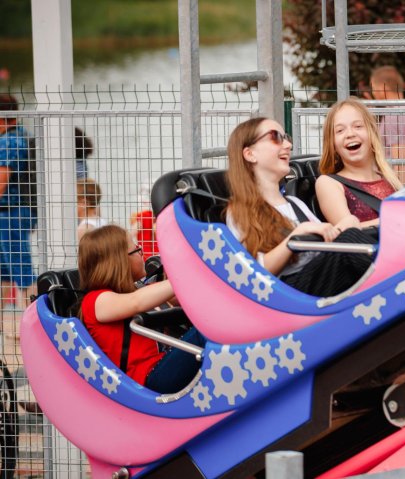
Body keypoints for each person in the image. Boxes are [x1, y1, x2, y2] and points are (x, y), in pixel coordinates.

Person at [225, 117, 375, 297]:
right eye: (275, 137)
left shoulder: (295, 204)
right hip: (287, 294)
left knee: (357, 232)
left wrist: (344, 225)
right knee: (351, 239)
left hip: (317, 277)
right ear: (250, 154)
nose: (288, 145)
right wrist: (294, 239)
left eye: (286, 137)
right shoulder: (239, 211)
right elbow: (252, 273)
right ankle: (402, 280)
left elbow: (324, 242)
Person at [78, 225, 204, 393]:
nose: (142, 253)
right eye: (136, 249)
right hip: (144, 380)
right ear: (119, 261)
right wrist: (186, 275)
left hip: (159, 367)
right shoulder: (96, 301)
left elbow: (182, 298)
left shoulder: (134, 291)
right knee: (209, 331)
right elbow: (136, 302)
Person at [316, 97, 402, 229]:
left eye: (358, 126)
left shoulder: (389, 179)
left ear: (372, 133)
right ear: (332, 144)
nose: (350, 134)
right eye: (340, 130)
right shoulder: (329, 183)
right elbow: (347, 231)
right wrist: (398, 220)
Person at [0, 93, 35, 313]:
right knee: (7, 270)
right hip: (20, 209)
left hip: (11, 212)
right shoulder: (24, 135)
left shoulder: (8, 141)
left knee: (21, 270)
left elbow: (1, 179)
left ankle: (33, 322)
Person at [369, 66, 405, 184]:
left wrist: (399, 196)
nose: (373, 93)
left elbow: (400, 163)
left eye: (373, 87)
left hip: (393, 189)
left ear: (383, 88)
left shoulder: (394, 116)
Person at [130, 182, 159, 259]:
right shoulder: (140, 216)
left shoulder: (137, 216)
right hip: (153, 253)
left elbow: (132, 232)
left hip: (146, 253)